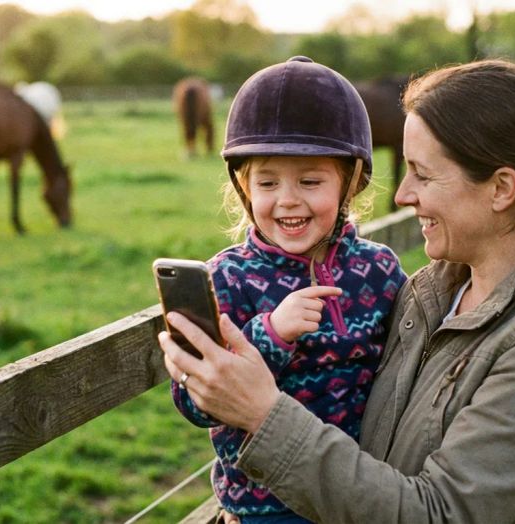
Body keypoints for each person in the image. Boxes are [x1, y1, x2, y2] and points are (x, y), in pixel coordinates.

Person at [159, 59, 515, 522]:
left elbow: (441, 514)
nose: (402, 194)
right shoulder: (435, 289)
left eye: (422, 173)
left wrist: (263, 414)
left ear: (501, 189)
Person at [169, 56, 407, 523]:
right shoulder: (227, 280)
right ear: (244, 186)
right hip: (266, 507)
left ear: (351, 181)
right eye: (268, 182)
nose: (288, 199)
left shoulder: (379, 268)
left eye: (311, 180)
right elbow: (193, 401)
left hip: (363, 495)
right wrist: (271, 335)